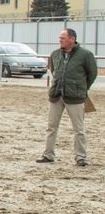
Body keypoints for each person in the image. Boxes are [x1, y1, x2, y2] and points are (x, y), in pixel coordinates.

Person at [37, 28, 98, 166]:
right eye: (60, 38)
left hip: (75, 97)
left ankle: (81, 157)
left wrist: (81, 88)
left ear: (72, 39)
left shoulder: (86, 55)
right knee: (51, 127)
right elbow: (54, 71)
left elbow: (92, 74)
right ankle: (48, 154)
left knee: (79, 129)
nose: (60, 40)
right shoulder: (55, 54)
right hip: (56, 95)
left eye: (63, 38)